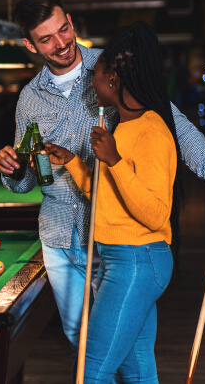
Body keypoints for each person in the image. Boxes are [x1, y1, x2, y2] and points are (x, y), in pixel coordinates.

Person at [0, 0, 205, 378]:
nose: (62, 43)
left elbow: (173, 124)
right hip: (61, 239)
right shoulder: (29, 100)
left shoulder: (111, 66)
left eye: (64, 29)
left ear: (70, 19)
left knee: (103, 350)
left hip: (119, 234)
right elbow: (29, 177)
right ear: (29, 44)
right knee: (83, 339)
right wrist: (13, 170)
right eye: (47, 38)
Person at [44, 21, 178, 382]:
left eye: (97, 74)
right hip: (124, 259)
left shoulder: (151, 130)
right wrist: (72, 159)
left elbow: (154, 213)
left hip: (137, 260)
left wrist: (115, 161)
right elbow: (106, 196)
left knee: (89, 372)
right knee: (136, 372)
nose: (92, 82)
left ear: (115, 80)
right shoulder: (122, 126)